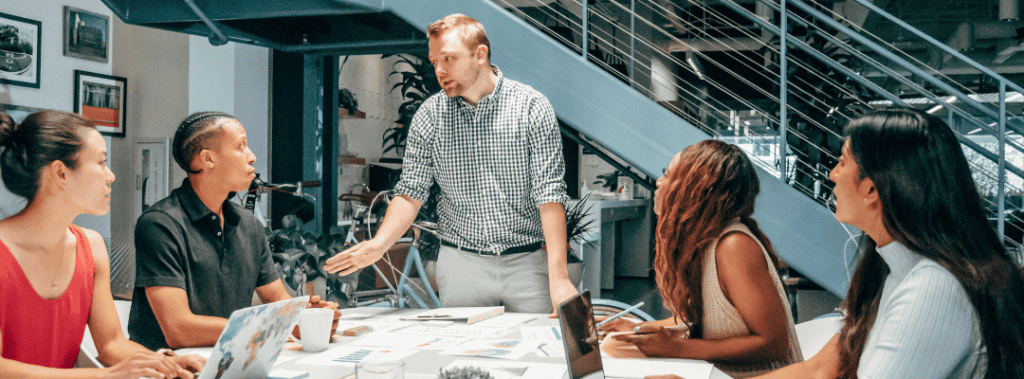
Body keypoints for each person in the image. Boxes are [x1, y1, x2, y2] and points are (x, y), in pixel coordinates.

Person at [650, 108, 1024, 379]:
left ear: (872, 188)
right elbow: (819, 369)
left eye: (842, 163)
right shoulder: (889, 272)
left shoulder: (932, 288)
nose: (831, 173)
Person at [324, 14, 576, 314]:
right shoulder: (429, 117)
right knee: (463, 359)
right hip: (461, 266)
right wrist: (379, 244)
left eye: (449, 59)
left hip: (527, 263)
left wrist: (559, 277)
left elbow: (549, 196)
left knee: (536, 354)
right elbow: (410, 193)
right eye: (434, 62)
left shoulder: (531, 107)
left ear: (479, 55)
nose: (440, 71)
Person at [0, 110, 205, 378]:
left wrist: (164, 362)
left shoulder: (92, 246)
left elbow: (111, 344)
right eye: (101, 162)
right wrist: (105, 376)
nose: (111, 176)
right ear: (60, 173)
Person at [128, 111, 341, 350]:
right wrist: (273, 323)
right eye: (241, 146)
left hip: (229, 360)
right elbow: (179, 330)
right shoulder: (160, 224)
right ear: (207, 159)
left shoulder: (248, 224)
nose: (252, 157)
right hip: (167, 369)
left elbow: (277, 299)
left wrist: (307, 318)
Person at [604, 140, 803, 378]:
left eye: (667, 174)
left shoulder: (734, 246)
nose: (659, 182)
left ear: (695, 189)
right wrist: (637, 329)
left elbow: (774, 345)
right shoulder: (705, 243)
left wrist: (676, 347)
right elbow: (701, 320)